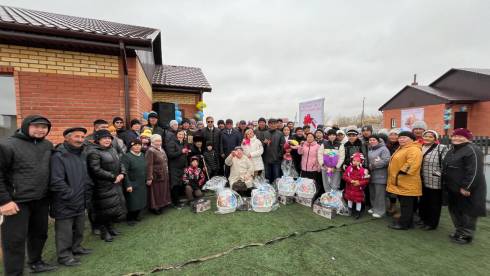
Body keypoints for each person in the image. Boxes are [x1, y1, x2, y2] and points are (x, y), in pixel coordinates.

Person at [0, 115, 57, 274]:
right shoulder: (7, 145)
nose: (41, 130)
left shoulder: (47, 145)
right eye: (36, 126)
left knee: (39, 234)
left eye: (44, 127)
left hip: (41, 198)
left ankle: (36, 262)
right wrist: (4, 201)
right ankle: (14, 273)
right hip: (16, 202)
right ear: (26, 126)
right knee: (14, 241)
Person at [50, 127, 93, 267]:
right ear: (67, 138)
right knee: (65, 231)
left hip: (81, 198)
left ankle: (76, 248)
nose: (80, 140)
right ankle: (64, 256)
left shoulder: (82, 154)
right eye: (77, 137)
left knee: (79, 227)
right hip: (65, 201)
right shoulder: (59, 156)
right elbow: (57, 181)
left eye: (82, 137)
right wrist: (70, 194)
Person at [443, 128, 487, 244]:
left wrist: (467, 187)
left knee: (467, 212)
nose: (456, 138)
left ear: (468, 138)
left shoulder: (472, 150)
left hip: (467, 189)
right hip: (453, 189)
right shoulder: (453, 149)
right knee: (455, 211)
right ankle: (459, 231)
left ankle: (466, 235)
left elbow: (474, 171)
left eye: (460, 136)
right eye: (454, 136)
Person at [86, 130, 127, 242]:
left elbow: (120, 162)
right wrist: (113, 177)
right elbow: (95, 169)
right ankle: (104, 232)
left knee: (112, 208)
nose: (107, 140)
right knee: (103, 210)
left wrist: (122, 173)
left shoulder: (112, 149)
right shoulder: (93, 152)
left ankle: (111, 228)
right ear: (98, 140)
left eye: (109, 138)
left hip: (114, 183)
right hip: (102, 186)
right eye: (104, 138)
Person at [386, 131, 423, 230]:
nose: (401, 139)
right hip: (401, 181)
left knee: (407, 205)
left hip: (407, 181)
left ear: (411, 139)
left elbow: (412, 164)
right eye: (400, 137)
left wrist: (400, 173)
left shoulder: (414, 149)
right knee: (405, 204)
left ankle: (404, 224)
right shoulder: (402, 148)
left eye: (404, 137)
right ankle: (407, 221)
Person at [418, 130, 448, 230]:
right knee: (423, 201)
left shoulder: (441, 148)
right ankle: (423, 219)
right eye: (425, 136)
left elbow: (446, 164)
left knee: (434, 203)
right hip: (421, 179)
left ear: (435, 139)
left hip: (435, 181)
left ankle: (432, 223)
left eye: (430, 137)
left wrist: (438, 174)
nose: (427, 138)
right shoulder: (419, 147)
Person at [121, 139, 147, 225]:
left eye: (139, 145)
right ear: (131, 147)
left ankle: (137, 215)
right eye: (135, 145)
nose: (137, 146)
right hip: (132, 183)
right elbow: (124, 172)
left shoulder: (142, 155)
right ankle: (129, 218)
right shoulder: (126, 157)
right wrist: (128, 185)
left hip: (142, 182)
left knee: (140, 200)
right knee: (132, 202)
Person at [145, 134, 172, 214]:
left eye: (159, 141)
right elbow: (148, 165)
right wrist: (149, 177)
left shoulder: (161, 149)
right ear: (152, 141)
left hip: (164, 173)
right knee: (156, 192)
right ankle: (155, 207)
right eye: (156, 141)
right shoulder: (150, 150)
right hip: (156, 175)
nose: (158, 142)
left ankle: (162, 204)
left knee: (162, 190)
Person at [367, 135, 390, 218]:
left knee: (380, 194)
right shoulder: (370, 148)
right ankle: (374, 207)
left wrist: (374, 165)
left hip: (381, 174)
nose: (372, 141)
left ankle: (381, 211)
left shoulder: (384, 149)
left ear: (378, 141)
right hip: (372, 175)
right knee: (373, 193)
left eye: (374, 140)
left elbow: (386, 160)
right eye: (370, 140)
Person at [294, 132, 322, 198]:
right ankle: (304, 196)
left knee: (312, 184)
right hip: (304, 168)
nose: (309, 138)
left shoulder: (318, 146)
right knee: (304, 183)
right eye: (308, 137)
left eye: (311, 137)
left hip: (313, 168)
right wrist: (300, 146)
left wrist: (318, 166)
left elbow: (319, 157)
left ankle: (312, 196)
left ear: (314, 138)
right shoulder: (304, 145)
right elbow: (300, 153)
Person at [343, 153, 370, 219]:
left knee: (358, 201)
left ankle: (358, 212)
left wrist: (359, 183)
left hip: (358, 189)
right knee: (349, 199)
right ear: (352, 161)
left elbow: (366, 180)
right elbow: (344, 176)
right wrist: (350, 180)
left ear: (361, 162)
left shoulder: (363, 171)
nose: (355, 162)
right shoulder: (349, 168)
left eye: (358, 161)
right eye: (354, 160)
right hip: (349, 188)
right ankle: (350, 210)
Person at [167, 130, 189, 208]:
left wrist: (186, 166)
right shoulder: (172, 142)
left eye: (182, 134)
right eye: (179, 134)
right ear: (176, 135)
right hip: (174, 168)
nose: (181, 136)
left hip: (182, 167)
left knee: (179, 184)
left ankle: (178, 201)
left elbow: (184, 156)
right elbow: (170, 155)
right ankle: (175, 203)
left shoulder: (184, 143)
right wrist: (181, 151)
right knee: (175, 185)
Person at [263, 119, 286, 183]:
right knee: (267, 176)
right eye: (271, 124)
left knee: (276, 176)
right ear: (268, 124)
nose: (273, 125)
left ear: (276, 125)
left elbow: (283, 146)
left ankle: (276, 189)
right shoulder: (265, 133)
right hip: (266, 159)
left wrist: (279, 156)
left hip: (276, 159)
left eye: (274, 124)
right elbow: (261, 147)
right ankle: (269, 190)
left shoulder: (280, 133)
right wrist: (264, 143)